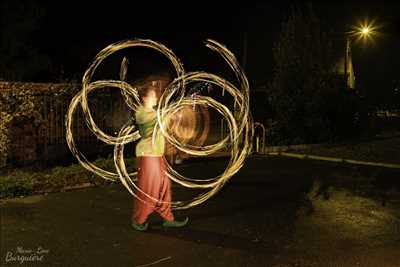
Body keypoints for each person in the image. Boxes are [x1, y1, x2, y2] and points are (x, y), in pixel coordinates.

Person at [131, 84, 189, 231]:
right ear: (144, 98)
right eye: (152, 95)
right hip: (147, 154)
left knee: (164, 187)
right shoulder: (141, 113)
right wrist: (168, 113)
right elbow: (155, 120)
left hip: (157, 154)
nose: (156, 97)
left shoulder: (155, 113)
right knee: (150, 188)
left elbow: (166, 123)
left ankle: (167, 218)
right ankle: (138, 220)